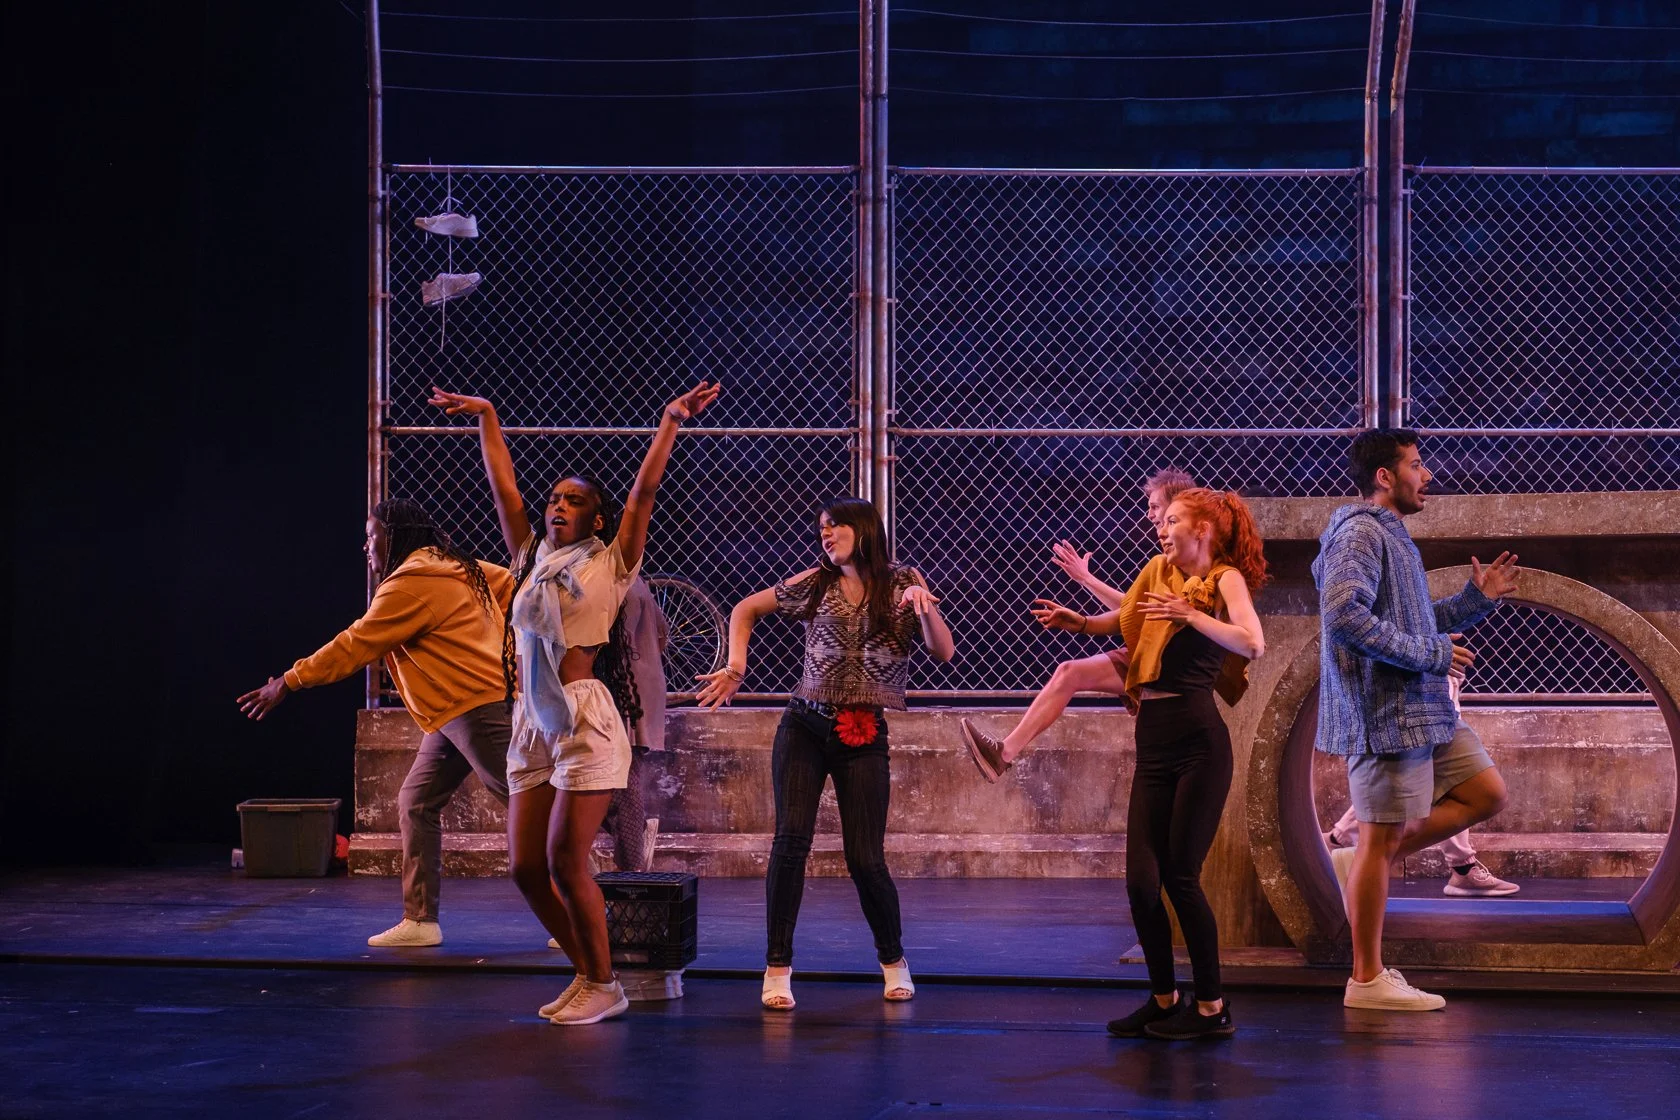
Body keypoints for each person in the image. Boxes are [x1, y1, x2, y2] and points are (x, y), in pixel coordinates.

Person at [428, 379, 720, 1026]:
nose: (559, 506)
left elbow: (644, 494)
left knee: (566, 860)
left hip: (584, 715)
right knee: (526, 867)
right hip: (531, 718)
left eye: (575, 501)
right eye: (555, 498)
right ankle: (589, 971)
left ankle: (604, 981)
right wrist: (488, 415)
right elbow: (504, 490)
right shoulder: (530, 559)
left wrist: (670, 421)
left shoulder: (610, 565)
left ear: (597, 518)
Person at [695, 498, 955, 1011]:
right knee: (791, 843)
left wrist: (925, 608)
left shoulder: (903, 582)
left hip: (864, 731)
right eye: (822, 528)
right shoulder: (815, 583)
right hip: (806, 725)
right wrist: (736, 666)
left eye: (835, 526)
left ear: (864, 530)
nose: (826, 534)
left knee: (866, 858)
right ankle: (777, 967)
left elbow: (942, 651)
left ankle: (894, 961)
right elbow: (746, 608)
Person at [1030, 488, 1268, 1041]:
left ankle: (1212, 1008)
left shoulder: (1225, 579)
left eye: (1173, 519)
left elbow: (1252, 643)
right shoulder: (1160, 573)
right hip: (1154, 744)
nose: (1162, 527)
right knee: (1141, 883)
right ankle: (1164, 1000)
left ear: (1203, 529)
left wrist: (1192, 614)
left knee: (1181, 877)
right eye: (1163, 519)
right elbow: (1129, 619)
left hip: (1200, 746)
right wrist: (1080, 623)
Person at [237, 499, 513, 948]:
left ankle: (580, 912)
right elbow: (509, 585)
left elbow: (355, 644)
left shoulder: (409, 583)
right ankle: (420, 920)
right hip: (450, 711)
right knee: (416, 802)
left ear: (395, 536)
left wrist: (288, 681)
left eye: (372, 536)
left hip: (474, 705)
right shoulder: (455, 566)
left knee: (527, 802)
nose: (366, 546)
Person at [1315, 428, 1519, 1012]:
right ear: (1385, 476)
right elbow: (1343, 616)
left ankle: (1361, 861)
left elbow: (1411, 618)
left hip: (1422, 707)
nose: (1426, 475)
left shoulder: (1392, 534)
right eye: (1416, 464)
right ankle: (1366, 980)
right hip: (1386, 712)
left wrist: (1475, 600)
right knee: (1380, 840)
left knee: (1486, 791)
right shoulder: (1360, 532)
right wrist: (1430, 654)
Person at [960, 468, 1195, 780]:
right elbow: (1135, 609)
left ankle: (1003, 754)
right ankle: (1002, 754)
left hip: (1171, 661)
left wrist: (1086, 591)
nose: (1149, 514)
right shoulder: (1164, 559)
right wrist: (1085, 588)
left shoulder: (1188, 558)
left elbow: (1138, 611)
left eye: (1155, 506)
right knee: (1069, 672)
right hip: (1147, 651)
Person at [1324, 676, 1520, 898]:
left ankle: (1345, 846)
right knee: (1408, 793)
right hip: (1403, 695)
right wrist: (1440, 658)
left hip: (1437, 697)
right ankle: (1345, 846)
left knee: (1478, 791)